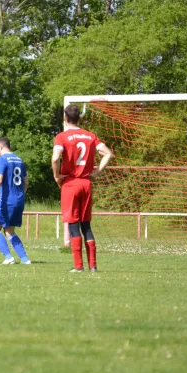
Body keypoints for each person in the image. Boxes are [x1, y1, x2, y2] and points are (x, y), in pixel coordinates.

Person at [52, 105, 114, 273]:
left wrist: (57, 175)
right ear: (79, 117)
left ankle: (78, 266)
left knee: (73, 224)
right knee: (86, 225)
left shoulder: (62, 137)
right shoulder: (90, 136)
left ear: (65, 117)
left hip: (71, 184)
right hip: (86, 183)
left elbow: (56, 158)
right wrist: (97, 172)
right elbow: (108, 154)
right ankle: (93, 266)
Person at [0, 137, 30, 265]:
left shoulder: (1, 160)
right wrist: (19, 196)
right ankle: (25, 259)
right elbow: (26, 183)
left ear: (1, 146)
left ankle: (8, 257)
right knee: (9, 230)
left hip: (6, 201)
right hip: (20, 200)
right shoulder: (20, 160)